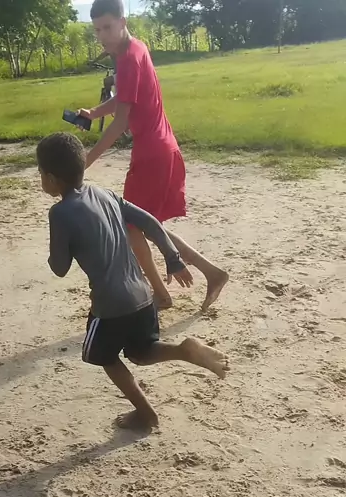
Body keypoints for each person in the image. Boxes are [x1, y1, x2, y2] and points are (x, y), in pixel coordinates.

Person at [36, 132, 229, 430]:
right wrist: (172, 257)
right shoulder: (105, 194)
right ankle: (183, 350)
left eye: (40, 174)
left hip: (109, 307)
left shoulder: (59, 213)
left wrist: (59, 250)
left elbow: (59, 268)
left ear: (50, 178)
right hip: (142, 297)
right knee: (141, 352)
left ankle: (146, 413)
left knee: (101, 356)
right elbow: (149, 221)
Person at [76, 0, 229, 312]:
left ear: (122, 22)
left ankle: (161, 295)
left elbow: (120, 123)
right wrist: (93, 112)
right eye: (97, 30)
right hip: (162, 148)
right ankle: (211, 273)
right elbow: (126, 98)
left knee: (131, 226)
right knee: (143, 223)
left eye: (107, 27)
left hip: (152, 155)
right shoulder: (135, 49)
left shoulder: (128, 60)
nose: (102, 36)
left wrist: (85, 161)